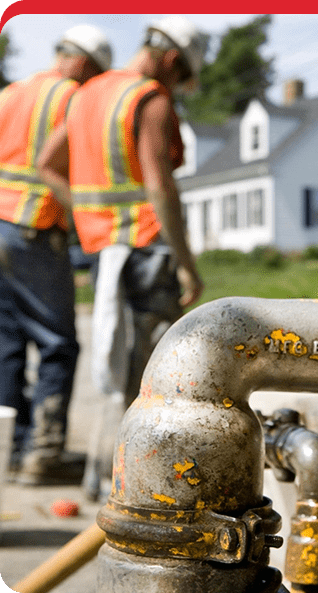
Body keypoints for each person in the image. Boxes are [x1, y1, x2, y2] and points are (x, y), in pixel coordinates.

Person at [38, 15, 206, 500]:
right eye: (179, 77)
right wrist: (187, 261)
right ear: (172, 60)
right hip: (147, 251)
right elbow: (159, 184)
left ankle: (102, 482)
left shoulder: (87, 93)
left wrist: (89, 216)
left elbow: (50, 167)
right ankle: (144, 488)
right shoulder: (148, 96)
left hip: (105, 251)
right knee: (157, 375)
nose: (175, 87)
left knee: (115, 372)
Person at [0, 25, 112, 485]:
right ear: (85, 63)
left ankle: (11, 451)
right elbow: (73, 165)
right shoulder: (73, 98)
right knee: (56, 344)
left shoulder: (11, 92)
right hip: (35, 226)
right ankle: (43, 453)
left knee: (6, 345)